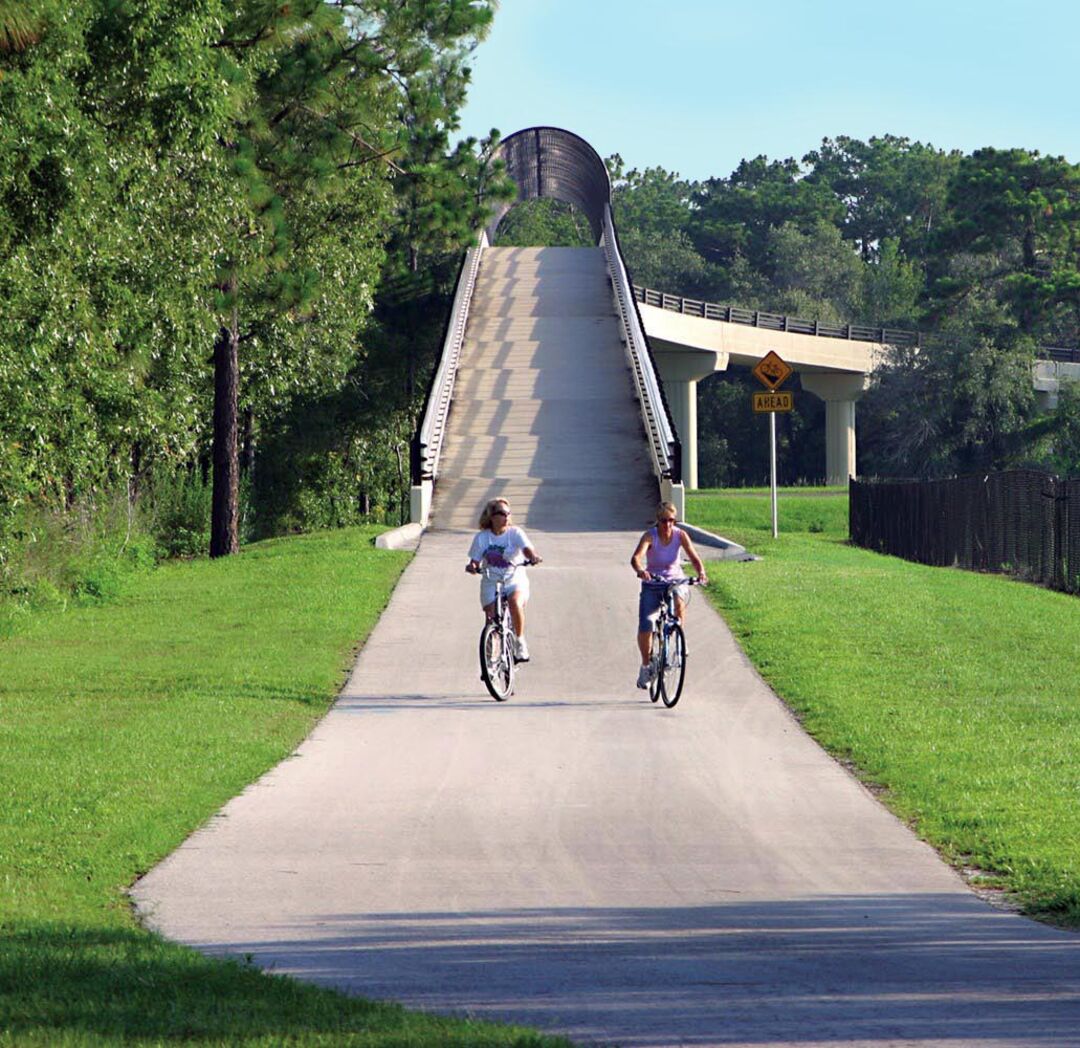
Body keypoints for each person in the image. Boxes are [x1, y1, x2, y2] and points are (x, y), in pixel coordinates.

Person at [629, 501, 708, 689]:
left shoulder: (681, 536)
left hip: (674, 580)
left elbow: (694, 558)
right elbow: (636, 557)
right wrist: (641, 570)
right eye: (664, 521)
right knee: (646, 623)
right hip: (653, 582)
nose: (668, 525)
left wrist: (701, 573)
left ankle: (679, 641)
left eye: (671, 520)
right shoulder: (650, 536)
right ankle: (646, 666)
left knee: (679, 601)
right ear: (658, 521)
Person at [465, 498, 542, 662]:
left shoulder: (515, 533)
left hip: (514, 579)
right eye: (501, 513)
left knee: (514, 602)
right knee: (491, 618)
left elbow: (527, 549)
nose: (506, 517)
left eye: (508, 513)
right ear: (491, 516)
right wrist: (472, 566)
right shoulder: (482, 537)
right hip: (491, 581)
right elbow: (475, 560)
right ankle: (489, 661)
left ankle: (520, 642)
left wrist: (533, 557)